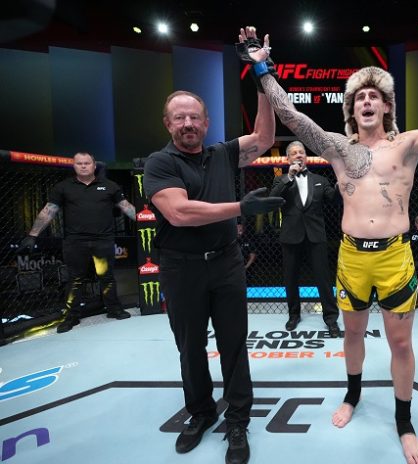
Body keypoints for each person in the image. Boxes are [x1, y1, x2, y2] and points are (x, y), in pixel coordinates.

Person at [237, 21, 418, 464]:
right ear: (351, 108)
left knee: (401, 345)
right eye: (359, 97)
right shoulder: (338, 148)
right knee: (353, 334)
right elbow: (291, 116)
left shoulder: (408, 145)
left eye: (374, 95)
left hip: (394, 257)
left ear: (386, 105)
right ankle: (352, 394)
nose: (366, 101)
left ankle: (404, 422)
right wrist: (262, 70)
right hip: (351, 258)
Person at [143, 88, 282, 464]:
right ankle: (201, 412)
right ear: (168, 124)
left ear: (206, 123)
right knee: (190, 347)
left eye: (194, 117)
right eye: (180, 118)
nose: (188, 124)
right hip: (181, 267)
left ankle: (237, 421)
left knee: (234, 344)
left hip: (226, 262)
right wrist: (240, 208)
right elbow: (180, 213)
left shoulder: (222, 153)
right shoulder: (160, 163)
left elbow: (265, 138)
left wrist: (262, 85)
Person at [17, 152, 135, 333]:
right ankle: (71, 316)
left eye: (87, 163)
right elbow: (49, 210)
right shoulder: (63, 187)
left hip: (102, 241)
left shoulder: (110, 186)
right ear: (74, 166)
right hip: (75, 242)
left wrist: (148, 221)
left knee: (106, 277)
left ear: (94, 165)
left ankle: (114, 309)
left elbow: (126, 207)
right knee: (75, 280)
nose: (83, 166)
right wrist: (33, 235)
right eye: (79, 163)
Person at [270, 140, 341, 336]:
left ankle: (331, 319)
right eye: (294, 153)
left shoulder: (320, 180)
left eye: (301, 152)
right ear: (288, 159)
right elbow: (273, 198)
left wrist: (340, 184)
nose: (298, 155)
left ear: (306, 157)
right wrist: (289, 177)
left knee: (323, 279)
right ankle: (294, 315)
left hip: (315, 235)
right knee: (291, 278)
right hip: (291, 236)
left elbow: (334, 199)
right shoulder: (281, 180)